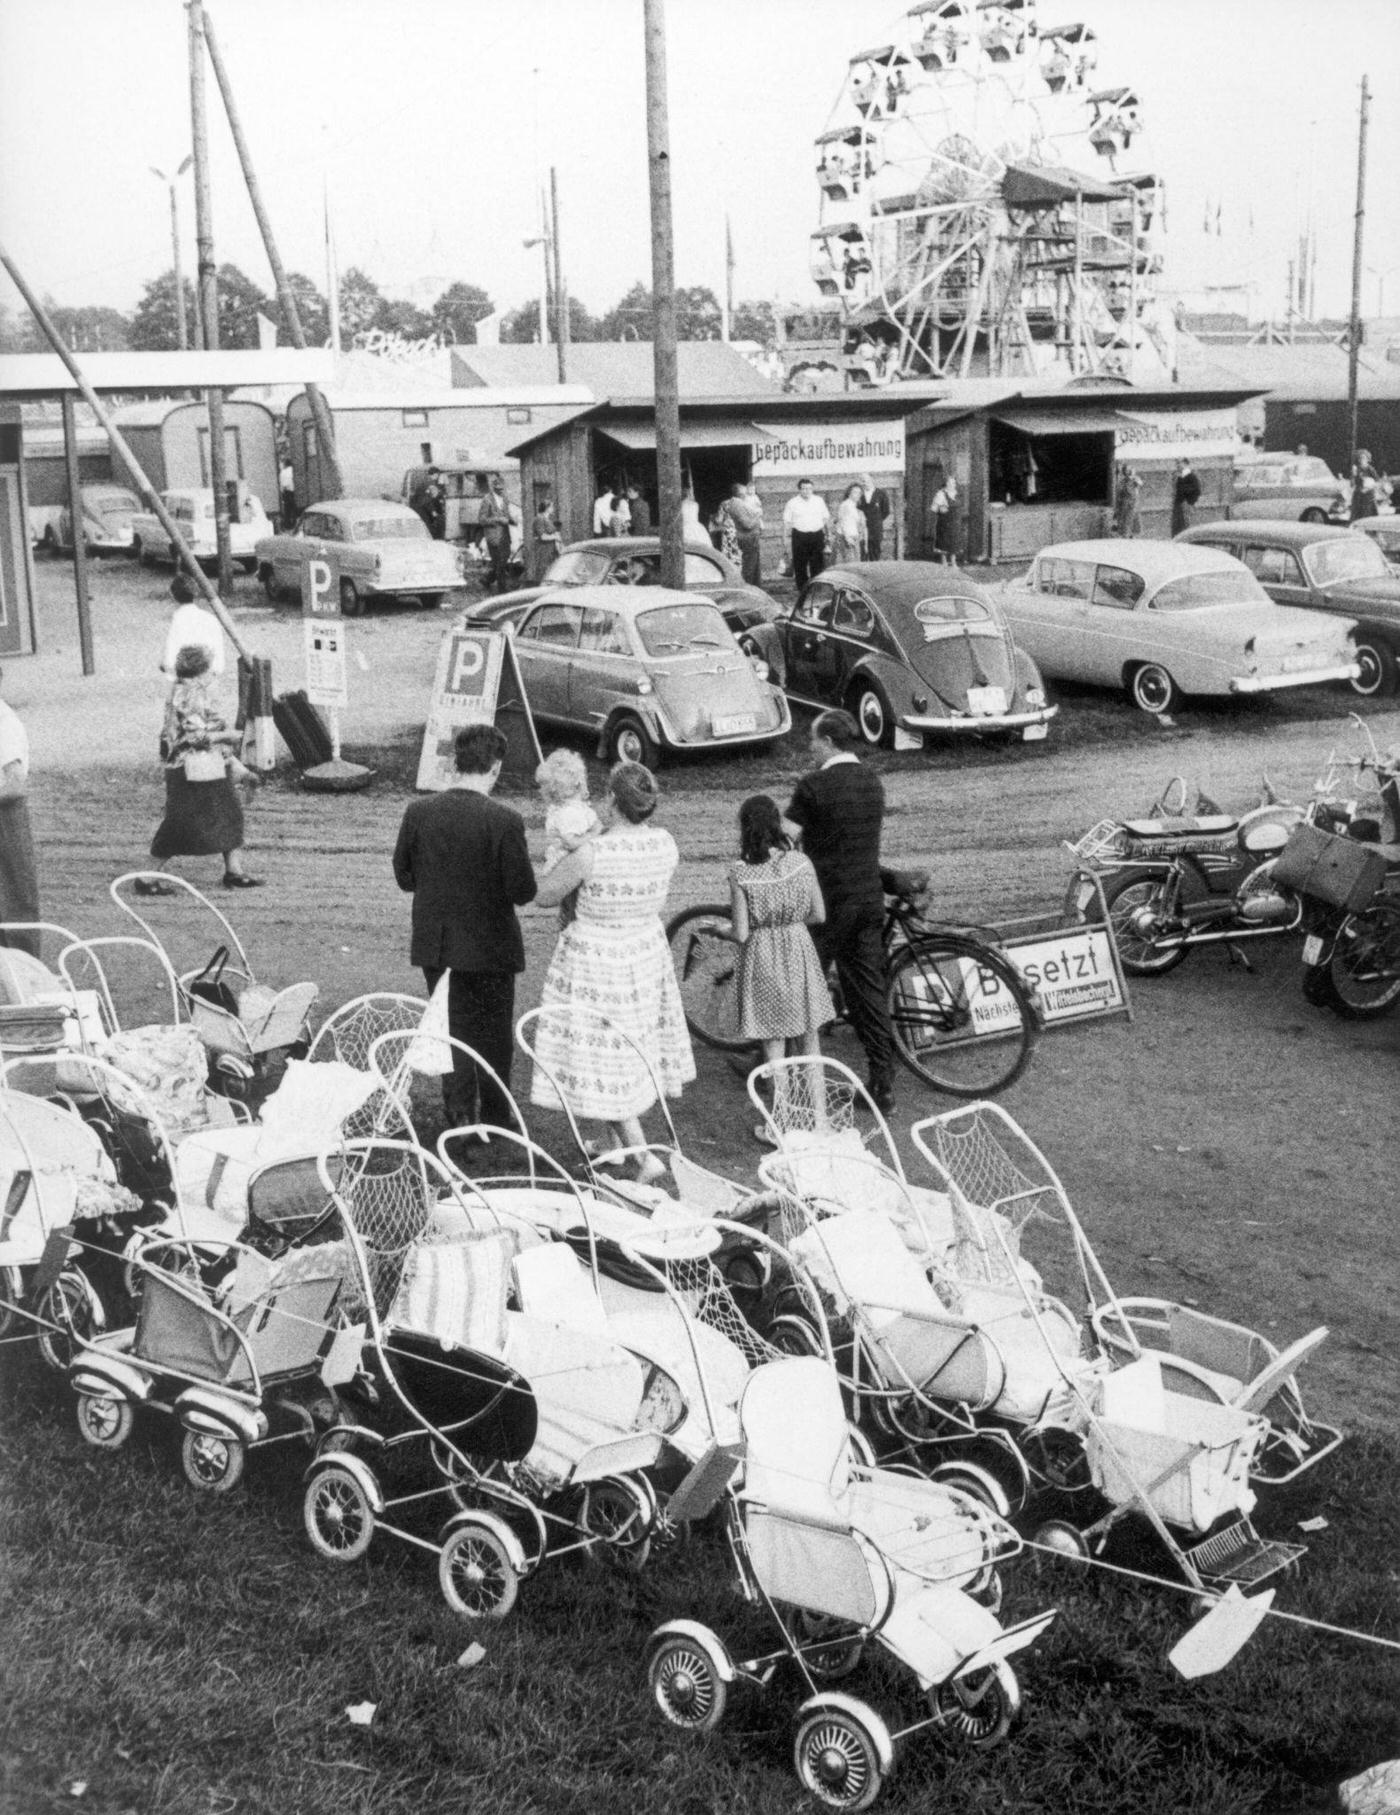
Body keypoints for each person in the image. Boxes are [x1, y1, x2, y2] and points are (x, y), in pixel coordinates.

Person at [529, 761, 694, 1183]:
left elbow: (545, 896)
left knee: (603, 1054)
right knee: (626, 1046)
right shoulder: (664, 842)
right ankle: (611, 1146)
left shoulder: (592, 852)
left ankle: (642, 1157)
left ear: (610, 801)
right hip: (642, 952)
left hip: (598, 959)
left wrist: (554, 857)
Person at [392, 722, 537, 1133]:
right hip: (491, 946)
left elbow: (404, 876)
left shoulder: (419, 811)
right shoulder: (505, 820)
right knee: (492, 1035)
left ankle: (458, 1117)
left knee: (450, 1030)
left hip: (439, 943)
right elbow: (522, 890)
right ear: (494, 768)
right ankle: (495, 1118)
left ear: (457, 763)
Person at [782, 709, 895, 1114]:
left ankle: (778, 1068)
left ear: (829, 742)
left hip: (827, 904)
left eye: (813, 740)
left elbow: (785, 839)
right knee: (867, 992)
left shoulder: (813, 785)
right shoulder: (872, 782)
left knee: (797, 986)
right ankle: (882, 1082)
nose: (810, 747)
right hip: (868, 897)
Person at [728, 794, 834, 1146]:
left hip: (764, 958)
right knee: (810, 1040)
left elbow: (741, 933)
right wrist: (790, 924)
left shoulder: (741, 873)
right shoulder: (801, 862)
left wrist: (723, 931)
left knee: (774, 1047)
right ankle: (820, 1120)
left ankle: (781, 1124)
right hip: (799, 950)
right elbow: (819, 915)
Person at [139, 644, 261, 896]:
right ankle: (147, 876)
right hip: (192, 767)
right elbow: (196, 737)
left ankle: (234, 870)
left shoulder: (183, 688)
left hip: (193, 765)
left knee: (226, 812)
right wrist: (228, 736)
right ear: (201, 670)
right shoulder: (193, 693)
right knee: (185, 821)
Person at [535, 746, 600, 926]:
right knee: (574, 910)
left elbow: (573, 841)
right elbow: (571, 842)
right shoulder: (568, 813)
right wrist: (594, 834)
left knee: (572, 910)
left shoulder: (568, 809)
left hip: (569, 864)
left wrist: (592, 832)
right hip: (568, 863)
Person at [0, 668, 40, 958]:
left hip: (6, 818)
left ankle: (24, 974)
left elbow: (15, 786)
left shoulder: (4, 724)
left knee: (13, 901)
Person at [161, 571, 226, 683]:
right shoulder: (210, 618)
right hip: (209, 676)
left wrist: (169, 672)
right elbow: (218, 653)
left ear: (173, 595)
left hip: (186, 677)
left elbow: (171, 654)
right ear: (195, 593)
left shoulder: (178, 619)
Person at [783, 478, 830, 589]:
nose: (806, 491)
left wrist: (828, 535)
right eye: (804, 488)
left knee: (817, 562)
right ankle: (802, 588)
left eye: (809, 488)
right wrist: (785, 539)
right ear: (799, 490)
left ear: (812, 489)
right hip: (799, 536)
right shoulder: (792, 502)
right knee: (800, 563)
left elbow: (825, 519)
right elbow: (787, 522)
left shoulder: (819, 501)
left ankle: (817, 586)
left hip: (817, 535)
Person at [478, 474, 512, 592]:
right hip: (493, 536)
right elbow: (482, 519)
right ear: (493, 488)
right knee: (500, 562)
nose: (501, 491)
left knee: (503, 558)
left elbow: (506, 514)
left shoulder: (505, 499)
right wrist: (497, 520)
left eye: (502, 488)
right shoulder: (487, 500)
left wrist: (512, 520)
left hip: (505, 534)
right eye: (498, 489)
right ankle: (502, 590)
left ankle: (487, 579)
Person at [530, 495, 563, 583]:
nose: (553, 508)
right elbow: (542, 536)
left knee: (550, 570)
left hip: (550, 549)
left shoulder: (547, 519)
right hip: (543, 549)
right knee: (543, 570)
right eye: (551, 506)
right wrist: (555, 537)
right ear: (547, 508)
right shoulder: (539, 519)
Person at [832, 482, 868, 564]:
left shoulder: (853, 505)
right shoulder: (845, 505)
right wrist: (847, 538)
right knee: (849, 564)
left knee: (854, 563)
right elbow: (841, 522)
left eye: (859, 493)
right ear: (849, 493)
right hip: (846, 539)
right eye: (855, 492)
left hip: (854, 537)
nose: (858, 495)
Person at [858, 472, 891, 560]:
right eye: (863, 481)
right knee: (862, 553)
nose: (865, 483)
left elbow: (886, 511)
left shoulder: (881, 494)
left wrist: (877, 520)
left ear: (872, 480)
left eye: (866, 480)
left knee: (875, 553)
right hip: (862, 530)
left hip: (876, 530)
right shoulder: (859, 495)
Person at [930, 470, 959, 564]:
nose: (952, 484)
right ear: (946, 483)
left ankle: (954, 562)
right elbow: (933, 508)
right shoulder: (941, 494)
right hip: (944, 523)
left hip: (955, 522)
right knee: (943, 541)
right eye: (950, 482)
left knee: (954, 541)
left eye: (953, 482)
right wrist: (940, 508)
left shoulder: (956, 493)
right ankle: (944, 562)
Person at [1112, 463, 1144, 539]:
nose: (1129, 472)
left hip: (1133, 502)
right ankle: (1124, 534)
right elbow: (1119, 493)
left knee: (1133, 518)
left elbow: (1140, 483)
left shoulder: (1134, 479)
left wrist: (1133, 478)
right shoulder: (1122, 482)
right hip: (1125, 503)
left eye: (1130, 470)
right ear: (1124, 472)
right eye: (1127, 470)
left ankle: (1131, 534)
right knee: (1125, 518)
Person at [1171, 458, 1201, 536]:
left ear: (1185, 463)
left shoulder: (1191, 476)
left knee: (1185, 526)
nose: (1177, 465)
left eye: (1179, 463)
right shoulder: (1177, 475)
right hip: (1177, 505)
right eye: (1176, 464)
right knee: (1177, 526)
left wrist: (1189, 502)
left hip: (1185, 504)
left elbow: (1197, 491)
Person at [1350, 449, 1380, 522]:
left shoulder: (1370, 469)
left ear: (1367, 459)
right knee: (1356, 515)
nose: (1361, 459)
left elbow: (1377, 481)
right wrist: (1353, 475)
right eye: (1360, 458)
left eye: (1363, 458)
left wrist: (1369, 487)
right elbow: (1352, 484)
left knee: (1368, 514)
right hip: (1358, 495)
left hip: (1368, 495)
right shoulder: (1356, 468)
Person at [278, 455, 296, 530]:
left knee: (287, 509)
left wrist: (282, 491)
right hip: (291, 491)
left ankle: (288, 525)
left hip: (287, 492)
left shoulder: (284, 472)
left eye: (281, 462)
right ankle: (293, 523)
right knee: (292, 508)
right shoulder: (291, 470)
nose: (280, 465)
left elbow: (283, 484)